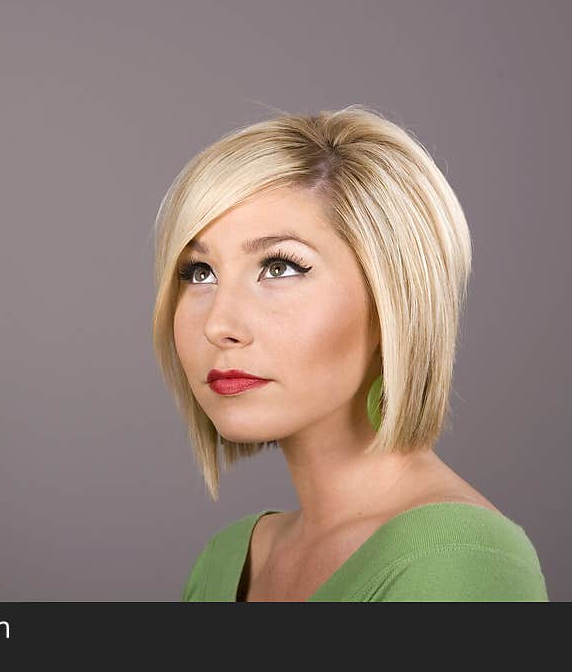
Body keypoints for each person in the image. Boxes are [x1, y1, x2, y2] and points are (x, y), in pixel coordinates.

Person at [151, 105, 549, 602]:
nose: (218, 325)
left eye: (279, 267)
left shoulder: (459, 561)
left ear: (392, 302)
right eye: (199, 272)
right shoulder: (226, 561)